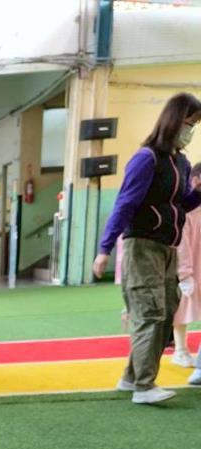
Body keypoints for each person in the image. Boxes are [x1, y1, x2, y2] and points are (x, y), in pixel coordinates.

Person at [93, 92, 201, 405]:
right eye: (189, 123)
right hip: (142, 246)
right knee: (149, 312)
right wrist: (104, 248)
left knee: (165, 313)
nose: (191, 130)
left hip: (167, 247)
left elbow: (179, 204)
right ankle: (144, 386)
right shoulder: (147, 158)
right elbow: (125, 202)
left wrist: (198, 194)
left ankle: (131, 378)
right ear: (173, 121)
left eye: (194, 125)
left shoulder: (180, 162)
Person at [172, 163, 201, 373]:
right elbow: (181, 244)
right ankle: (180, 350)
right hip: (191, 267)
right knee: (184, 307)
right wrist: (184, 274)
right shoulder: (188, 210)